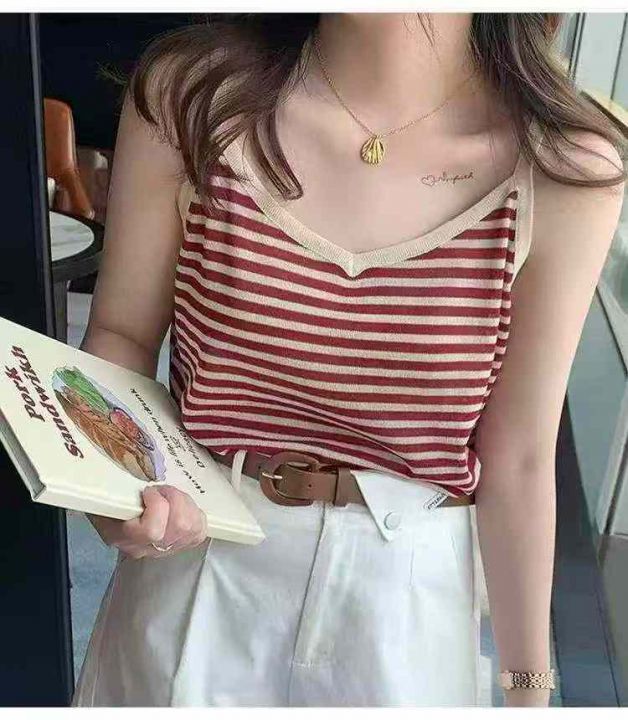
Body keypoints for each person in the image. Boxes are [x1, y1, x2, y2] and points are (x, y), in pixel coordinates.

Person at [71, 13, 625, 708]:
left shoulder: (563, 167)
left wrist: (528, 690)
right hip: (198, 557)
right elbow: (121, 334)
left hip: (406, 601)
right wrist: (114, 488)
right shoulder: (192, 97)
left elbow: (519, 457)